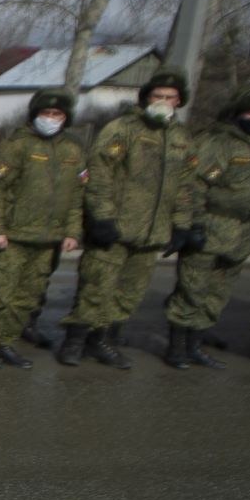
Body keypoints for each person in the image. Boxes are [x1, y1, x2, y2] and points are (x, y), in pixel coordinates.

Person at [58, 68, 198, 370]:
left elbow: (186, 186)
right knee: (96, 287)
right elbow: (100, 175)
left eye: (170, 97)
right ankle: (75, 341)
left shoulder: (182, 139)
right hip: (116, 227)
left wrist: (182, 224)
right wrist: (103, 218)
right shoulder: (122, 129)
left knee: (128, 293)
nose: (163, 101)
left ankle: (103, 341)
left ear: (179, 101)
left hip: (152, 232)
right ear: (146, 98)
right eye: (157, 96)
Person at [161, 90, 250, 370]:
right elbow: (197, 185)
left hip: (241, 232)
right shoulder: (217, 143)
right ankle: (177, 348)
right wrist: (195, 223)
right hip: (212, 226)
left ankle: (195, 346)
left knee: (217, 293)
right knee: (192, 289)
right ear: (238, 115)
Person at [0, 90, 85, 370]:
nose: (51, 119)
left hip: (48, 239)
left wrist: (72, 231)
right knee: (0, 294)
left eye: (57, 114)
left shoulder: (73, 150)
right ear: (34, 115)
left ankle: (7, 342)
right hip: (13, 236)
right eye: (45, 113)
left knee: (27, 297)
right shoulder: (17, 146)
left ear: (66, 117)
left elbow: (76, 196)